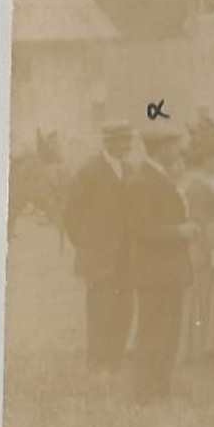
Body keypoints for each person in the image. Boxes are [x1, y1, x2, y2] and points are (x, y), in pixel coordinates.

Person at [125, 124, 198, 403]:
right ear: (161, 149)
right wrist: (178, 232)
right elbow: (139, 227)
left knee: (168, 333)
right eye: (174, 147)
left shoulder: (159, 179)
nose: (178, 151)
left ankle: (160, 389)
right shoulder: (143, 182)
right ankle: (146, 392)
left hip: (169, 271)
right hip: (154, 272)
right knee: (154, 332)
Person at [61, 121, 135, 375]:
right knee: (100, 308)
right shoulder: (89, 171)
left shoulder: (129, 169)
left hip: (126, 255)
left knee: (124, 306)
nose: (127, 145)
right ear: (107, 142)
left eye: (128, 140)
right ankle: (96, 361)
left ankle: (115, 359)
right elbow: (71, 216)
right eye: (121, 140)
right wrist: (88, 245)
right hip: (98, 256)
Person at [180, 122, 214, 364]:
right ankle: (199, 346)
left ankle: (206, 344)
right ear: (207, 159)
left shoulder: (206, 181)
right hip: (205, 240)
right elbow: (198, 219)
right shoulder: (198, 184)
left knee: (207, 293)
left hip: (213, 237)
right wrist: (209, 249)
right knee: (200, 292)